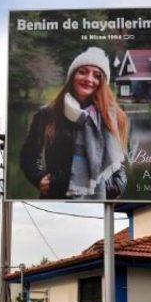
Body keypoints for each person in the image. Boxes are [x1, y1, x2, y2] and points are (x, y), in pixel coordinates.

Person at [20, 47, 129, 200]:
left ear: (102, 82)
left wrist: (117, 186)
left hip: (99, 200)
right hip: (57, 198)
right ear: (72, 76)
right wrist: (39, 179)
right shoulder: (47, 114)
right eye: (83, 72)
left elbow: (120, 162)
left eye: (97, 76)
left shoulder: (113, 116)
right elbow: (29, 156)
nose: (89, 79)